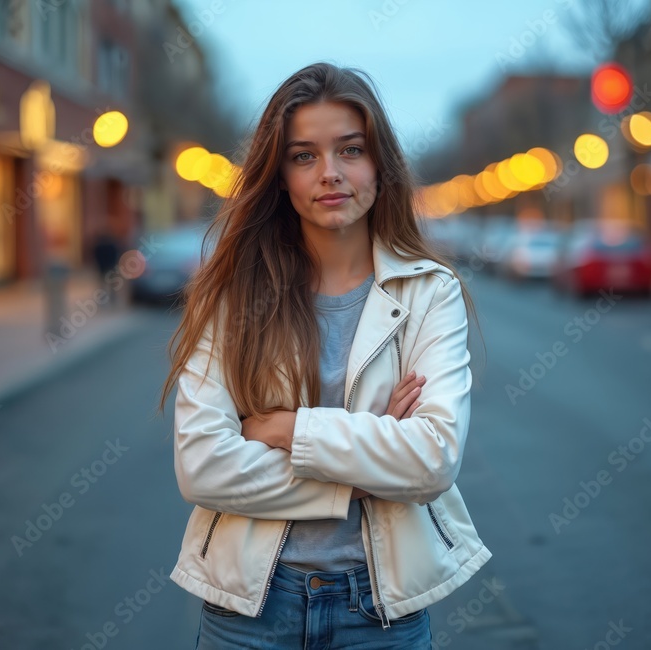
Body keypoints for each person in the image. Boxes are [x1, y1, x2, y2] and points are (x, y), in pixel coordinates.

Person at [157, 62, 491, 649]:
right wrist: (362, 474)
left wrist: (284, 428)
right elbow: (204, 466)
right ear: (279, 174)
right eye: (304, 155)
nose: (330, 173)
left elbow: (432, 459)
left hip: (380, 611)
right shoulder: (233, 295)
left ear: (378, 164)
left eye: (350, 150)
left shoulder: (430, 291)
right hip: (250, 613)